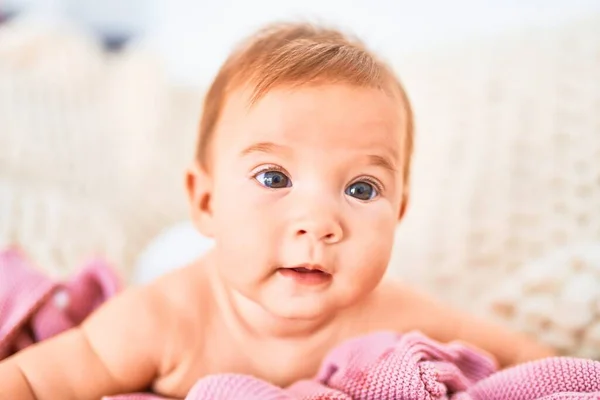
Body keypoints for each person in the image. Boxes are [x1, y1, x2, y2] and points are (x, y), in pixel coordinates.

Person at [0, 21, 555, 400]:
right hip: (174, 257)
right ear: (207, 200)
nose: (318, 222)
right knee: (160, 256)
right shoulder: (161, 319)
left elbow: (527, 360)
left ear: (400, 214)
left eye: (361, 189)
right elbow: (29, 380)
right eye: (274, 178)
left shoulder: (393, 312)